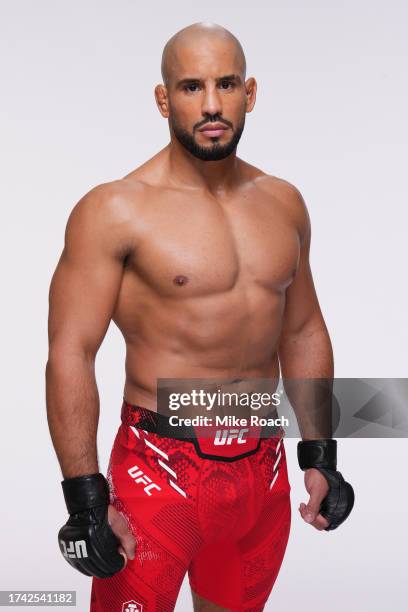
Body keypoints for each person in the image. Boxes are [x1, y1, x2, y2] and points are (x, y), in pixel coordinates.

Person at [46, 22, 354, 612]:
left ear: (251, 92)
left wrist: (320, 454)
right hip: (157, 474)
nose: (211, 104)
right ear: (163, 99)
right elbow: (70, 350)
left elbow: (304, 328)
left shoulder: (283, 202)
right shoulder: (113, 210)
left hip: (260, 473)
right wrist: (85, 498)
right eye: (191, 87)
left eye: (226, 84)